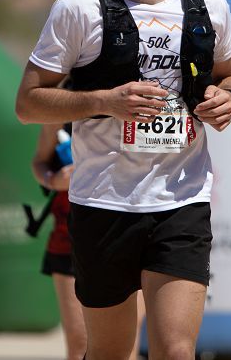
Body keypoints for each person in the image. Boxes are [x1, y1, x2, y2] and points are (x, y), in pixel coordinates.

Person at [15, 0, 231, 360]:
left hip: (182, 198)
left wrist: (229, 99)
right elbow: (29, 103)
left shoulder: (209, 7)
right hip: (103, 203)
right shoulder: (78, 10)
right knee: (106, 353)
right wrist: (103, 101)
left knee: (176, 351)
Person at [32, 122, 145, 360]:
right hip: (70, 242)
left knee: (127, 347)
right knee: (80, 344)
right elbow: (39, 163)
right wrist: (54, 180)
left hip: (138, 230)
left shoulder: (142, 97)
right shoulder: (61, 109)